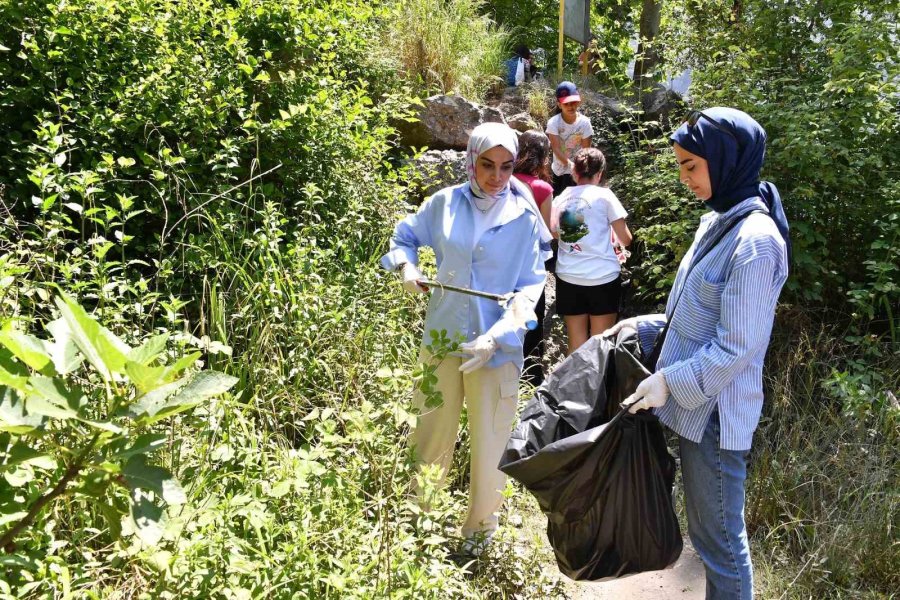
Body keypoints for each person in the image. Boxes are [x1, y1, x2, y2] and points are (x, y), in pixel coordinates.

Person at [606, 107, 791, 600]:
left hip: (715, 415)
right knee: (712, 538)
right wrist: (643, 325)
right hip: (696, 407)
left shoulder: (754, 242)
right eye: (681, 165)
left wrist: (668, 382)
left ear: (727, 159)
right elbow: (695, 310)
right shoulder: (718, 222)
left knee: (721, 544)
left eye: (691, 165)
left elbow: (736, 347)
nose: (684, 177)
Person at [380, 122, 550, 559]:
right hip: (441, 338)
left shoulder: (524, 215)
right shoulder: (444, 204)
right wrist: (407, 269)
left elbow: (531, 286)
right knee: (431, 432)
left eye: (506, 166)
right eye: (486, 165)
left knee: (490, 443)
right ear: (470, 161)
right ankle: (421, 523)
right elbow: (405, 237)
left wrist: (499, 335)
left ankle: (477, 538)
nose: (496, 176)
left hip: (498, 351)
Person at [552, 147, 632, 355]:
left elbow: (553, 232)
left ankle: (574, 387)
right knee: (601, 344)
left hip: (568, 277)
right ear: (599, 174)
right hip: (603, 277)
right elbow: (626, 239)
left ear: (574, 173)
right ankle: (599, 388)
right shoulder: (605, 196)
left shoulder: (562, 197)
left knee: (576, 344)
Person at [513, 130, 554, 386]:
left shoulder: (503, 181)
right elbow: (547, 232)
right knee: (532, 319)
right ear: (544, 157)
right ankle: (530, 379)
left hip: (503, 263)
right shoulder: (542, 188)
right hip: (531, 265)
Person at [546, 81, 593, 197]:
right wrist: (570, 164)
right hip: (558, 171)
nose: (570, 106)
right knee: (557, 203)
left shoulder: (585, 123)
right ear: (559, 104)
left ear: (578, 101)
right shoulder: (553, 123)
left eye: (573, 102)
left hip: (577, 171)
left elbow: (586, 150)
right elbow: (555, 149)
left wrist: (579, 168)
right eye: (566, 104)